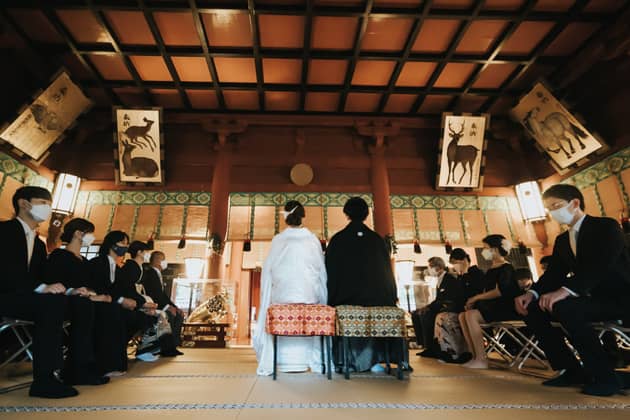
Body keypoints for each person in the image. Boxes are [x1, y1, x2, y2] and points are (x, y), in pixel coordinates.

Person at [514, 184, 630, 396]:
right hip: (593, 300)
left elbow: (601, 266)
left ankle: (606, 377)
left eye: (556, 205)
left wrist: (565, 290)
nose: (553, 212)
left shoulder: (606, 227)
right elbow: (553, 275)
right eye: (549, 209)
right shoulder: (562, 240)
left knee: (567, 307)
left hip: (621, 298)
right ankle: (570, 369)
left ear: (575, 203)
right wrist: (532, 293)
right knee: (532, 308)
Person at [0, 187, 106, 398]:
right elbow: (6, 271)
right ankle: (44, 379)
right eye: (43, 202)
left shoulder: (39, 244)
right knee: (51, 303)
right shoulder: (4, 231)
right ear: (23, 203)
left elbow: (44, 278)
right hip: (6, 295)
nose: (47, 208)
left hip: (26, 298)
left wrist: (70, 290)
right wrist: (41, 288)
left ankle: (76, 369)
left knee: (81, 304)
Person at [325, 197, 399, 373]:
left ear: (346, 214)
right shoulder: (376, 240)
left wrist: (330, 298)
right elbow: (387, 273)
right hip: (377, 300)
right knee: (376, 306)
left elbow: (330, 272)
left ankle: (347, 360)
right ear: (367, 214)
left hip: (346, 300)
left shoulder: (338, 240)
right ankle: (378, 359)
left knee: (345, 309)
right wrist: (391, 296)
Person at [253, 201, 327, 376]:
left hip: (282, 297)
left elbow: (270, 269)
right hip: (308, 297)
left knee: (278, 292)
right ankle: (310, 359)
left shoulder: (279, 239)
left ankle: (280, 358)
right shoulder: (312, 239)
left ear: (285, 217)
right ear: (303, 216)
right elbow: (320, 269)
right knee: (314, 288)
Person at [46, 218, 128, 376]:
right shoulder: (59, 255)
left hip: (85, 299)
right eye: (90, 233)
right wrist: (74, 291)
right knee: (97, 310)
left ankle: (107, 363)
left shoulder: (84, 261)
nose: (92, 237)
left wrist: (96, 296)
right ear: (78, 233)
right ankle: (80, 366)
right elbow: (52, 282)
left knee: (111, 307)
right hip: (65, 299)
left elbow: (90, 286)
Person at [86, 231, 156, 362]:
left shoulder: (117, 267)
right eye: (123, 243)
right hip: (99, 302)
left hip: (113, 301)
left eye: (127, 243)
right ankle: (109, 357)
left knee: (143, 317)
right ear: (112, 244)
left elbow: (125, 289)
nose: (126, 246)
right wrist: (123, 300)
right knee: (122, 315)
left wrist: (139, 303)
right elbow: (101, 288)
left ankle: (117, 353)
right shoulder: (98, 262)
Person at [459, 234, 519, 369]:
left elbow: (500, 291)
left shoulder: (506, 268)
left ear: (496, 249)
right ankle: (474, 355)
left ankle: (482, 358)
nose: (483, 251)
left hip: (505, 307)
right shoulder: (491, 268)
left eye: (486, 248)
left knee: (471, 315)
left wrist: (476, 298)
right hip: (493, 307)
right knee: (462, 315)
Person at [118, 241, 180, 357]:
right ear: (139, 252)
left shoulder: (139, 267)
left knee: (161, 315)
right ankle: (146, 348)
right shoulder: (131, 266)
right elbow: (128, 289)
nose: (147, 254)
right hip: (132, 303)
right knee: (158, 316)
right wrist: (144, 303)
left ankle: (153, 347)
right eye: (145, 252)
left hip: (140, 301)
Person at [433, 248, 484, 363]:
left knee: (446, 318)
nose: (455, 266)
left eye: (456, 262)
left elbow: (475, 292)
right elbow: (458, 296)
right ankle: (447, 350)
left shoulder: (476, 273)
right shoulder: (460, 277)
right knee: (441, 316)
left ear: (464, 260)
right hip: (462, 307)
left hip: (474, 307)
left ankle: (458, 351)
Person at [411, 256, 461, 358]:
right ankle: (425, 345)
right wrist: (427, 306)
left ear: (438, 267)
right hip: (439, 305)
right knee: (415, 314)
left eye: (430, 266)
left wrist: (428, 308)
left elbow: (447, 298)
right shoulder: (439, 280)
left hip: (448, 307)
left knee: (426, 314)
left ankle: (431, 347)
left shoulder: (449, 278)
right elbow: (438, 299)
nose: (428, 269)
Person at [141, 250, 184, 347]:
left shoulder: (158, 274)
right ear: (156, 260)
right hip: (153, 305)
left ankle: (174, 343)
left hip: (161, 304)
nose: (165, 262)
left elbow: (164, 295)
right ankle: (166, 345)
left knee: (179, 314)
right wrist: (167, 307)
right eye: (163, 259)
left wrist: (175, 307)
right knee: (171, 315)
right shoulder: (150, 273)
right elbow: (154, 295)